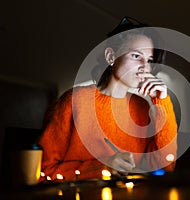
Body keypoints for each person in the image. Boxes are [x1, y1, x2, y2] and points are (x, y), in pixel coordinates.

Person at [38, 17, 178, 181]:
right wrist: (102, 168)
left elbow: (165, 168)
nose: (145, 67)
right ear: (111, 56)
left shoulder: (143, 108)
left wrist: (162, 102)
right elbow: (42, 171)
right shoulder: (75, 100)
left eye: (149, 60)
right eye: (136, 55)